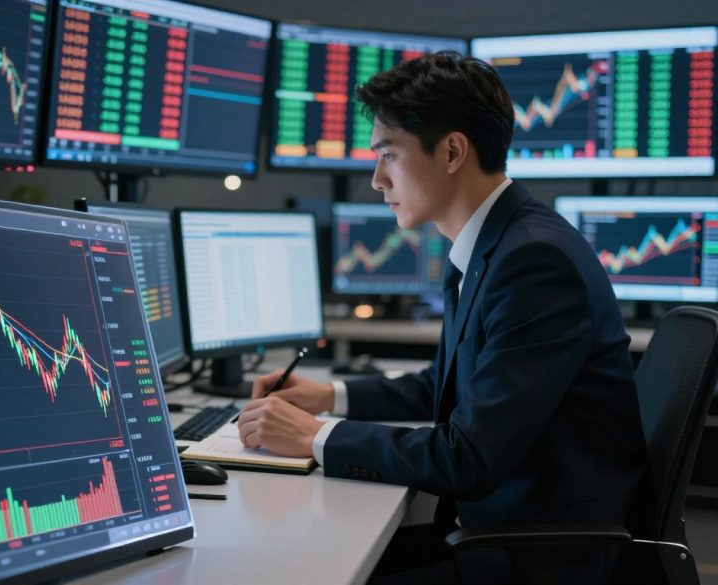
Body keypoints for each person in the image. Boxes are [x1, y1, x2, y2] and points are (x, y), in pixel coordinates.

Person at [236, 52, 648, 584]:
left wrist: (316, 436)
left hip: (541, 559)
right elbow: (450, 385)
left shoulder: (533, 262)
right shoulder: (495, 245)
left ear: (453, 150)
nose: (376, 179)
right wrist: (332, 396)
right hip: (500, 531)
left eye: (388, 154)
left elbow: (469, 458)